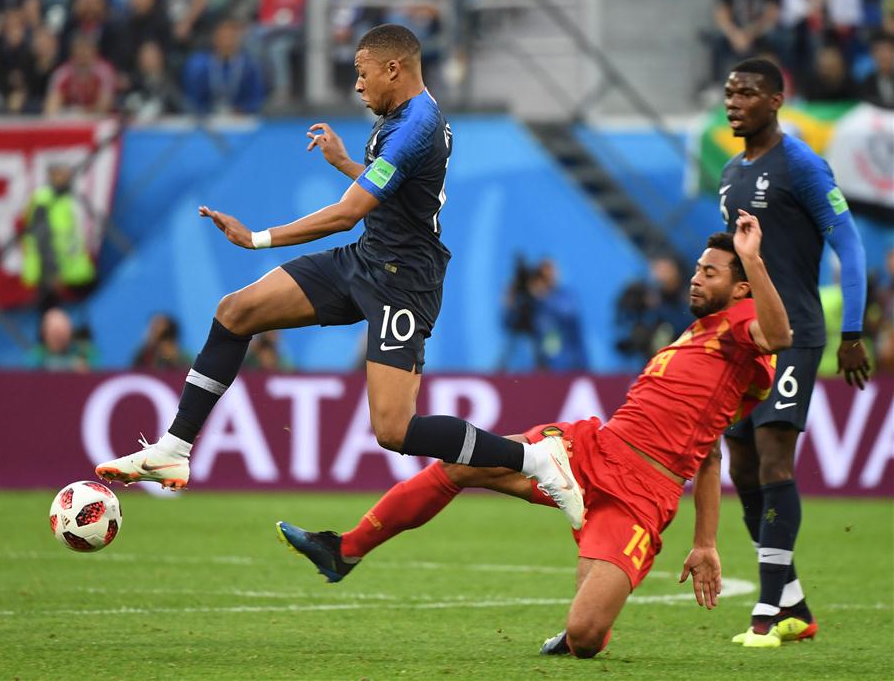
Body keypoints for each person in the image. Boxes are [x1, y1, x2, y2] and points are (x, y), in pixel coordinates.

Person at [94, 24, 583, 529]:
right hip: (367, 258)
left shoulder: (416, 126)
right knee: (236, 311)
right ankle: (175, 449)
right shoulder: (404, 117)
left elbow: (346, 214)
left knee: (394, 430)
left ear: (393, 68)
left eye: (361, 71)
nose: (356, 84)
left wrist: (257, 238)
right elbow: (390, 192)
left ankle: (536, 461)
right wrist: (347, 162)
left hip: (404, 282)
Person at [276, 215, 791, 658]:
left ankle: (582, 632)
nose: (695, 279)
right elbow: (710, 448)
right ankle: (345, 549)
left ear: (742, 287)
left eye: (710, 272)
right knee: (460, 466)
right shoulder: (696, 335)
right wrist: (703, 542)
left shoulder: (745, 326)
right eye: (697, 269)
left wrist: (705, 544)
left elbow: (779, 337)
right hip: (591, 451)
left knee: (586, 636)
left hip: (641, 497)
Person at [719, 58, 870, 647]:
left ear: (777, 101)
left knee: (775, 461)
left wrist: (851, 332)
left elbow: (850, 245)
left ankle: (764, 613)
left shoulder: (802, 164)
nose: (735, 102)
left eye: (748, 93)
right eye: (730, 93)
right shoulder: (731, 173)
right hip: (745, 341)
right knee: (744, 468)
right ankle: (794, 604)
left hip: (796, 333)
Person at [20, 162, 97, 307]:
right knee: (51, 314)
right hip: (52, 269)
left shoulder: (66, 197)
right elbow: (42, 238)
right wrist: (51, 272)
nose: (67, 176)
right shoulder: (43, 199)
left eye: (68, 172)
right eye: (61, 172)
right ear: (52, 175)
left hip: (72, 267)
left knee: (91, 304)